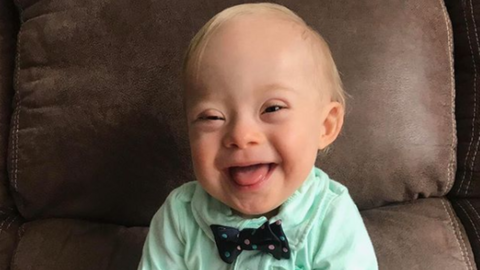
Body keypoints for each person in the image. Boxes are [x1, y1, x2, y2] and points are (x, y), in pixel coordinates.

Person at [138, 2, 378, 269]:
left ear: (325, 126)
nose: (241, 135)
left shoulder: (331, 217)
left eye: (272, 109)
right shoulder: (179, 216)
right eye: (212, 117)